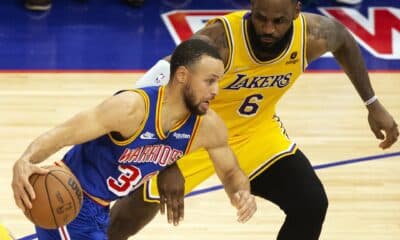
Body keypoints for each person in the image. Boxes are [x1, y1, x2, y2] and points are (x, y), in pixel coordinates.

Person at [108, 0, 399, 239]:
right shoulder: (218, 41)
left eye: (279, 21)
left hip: (254, 133)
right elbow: (152, 88)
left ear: (296, 12)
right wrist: (167, 163)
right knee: (122, 223)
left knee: (310, 203)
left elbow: (345, 41)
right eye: (261, 18)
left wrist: (372, 104)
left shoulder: (312, 34)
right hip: (193, 134)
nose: (268, 29)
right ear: (251, 7)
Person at [11, 39, 257, 239]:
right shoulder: (131, 109)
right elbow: (62, 134)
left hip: (101, 210)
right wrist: (25, 160)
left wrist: (241, 194)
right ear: (182, 76)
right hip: (67, 201)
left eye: (218, 81)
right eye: (209, 81)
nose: (216, 91)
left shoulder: (207, 126)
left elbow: (231, 172)